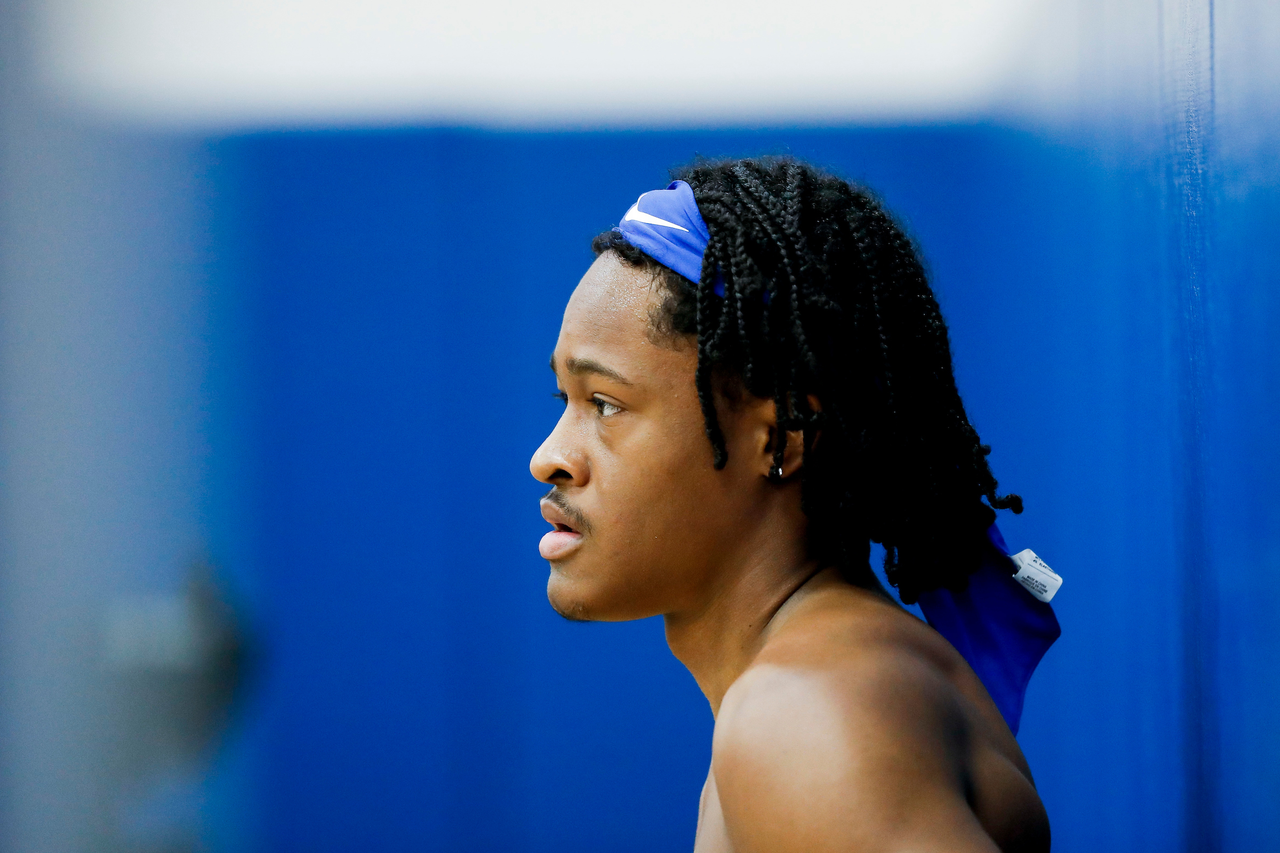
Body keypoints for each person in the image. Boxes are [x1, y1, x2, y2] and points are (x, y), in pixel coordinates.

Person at [530, 157, 1054, 852]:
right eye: (563, 399)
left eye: (604, 403)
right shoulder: (819, 686)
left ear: (779, 439)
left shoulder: (804, 713)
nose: (548, 457)